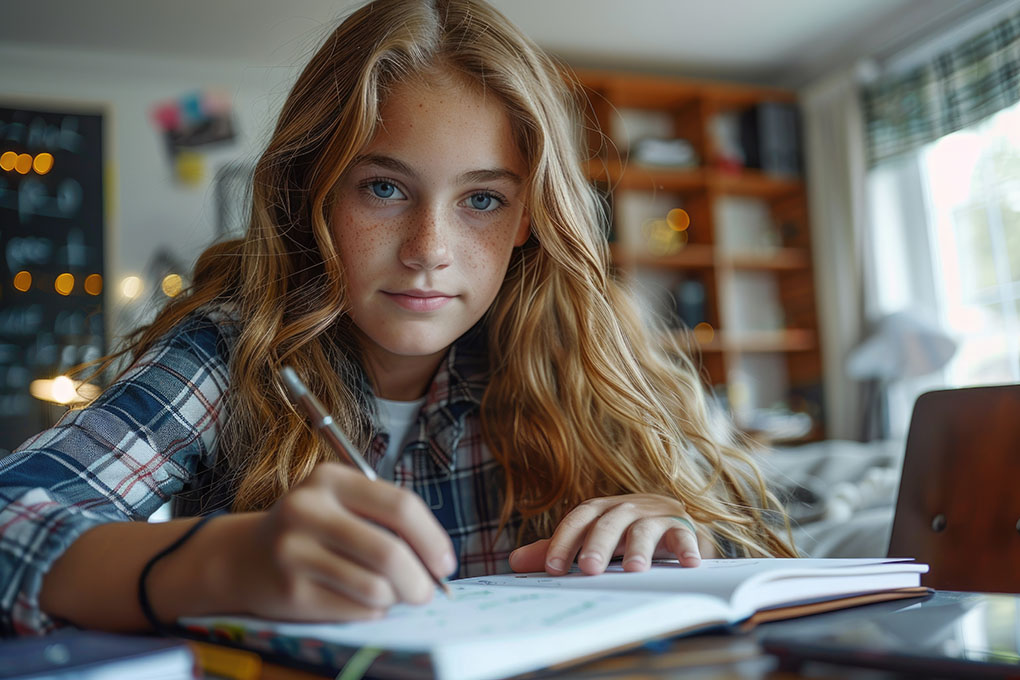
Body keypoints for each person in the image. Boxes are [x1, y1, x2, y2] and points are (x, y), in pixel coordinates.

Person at [0, 0, 796, 637]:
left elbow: (768, 542)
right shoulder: (231, 348)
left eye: (482, 200)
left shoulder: (581, 344)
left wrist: (689, 535)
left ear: (529, 218)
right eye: (383, 188)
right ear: (311, 190)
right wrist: (218, 563)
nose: (428, 250)